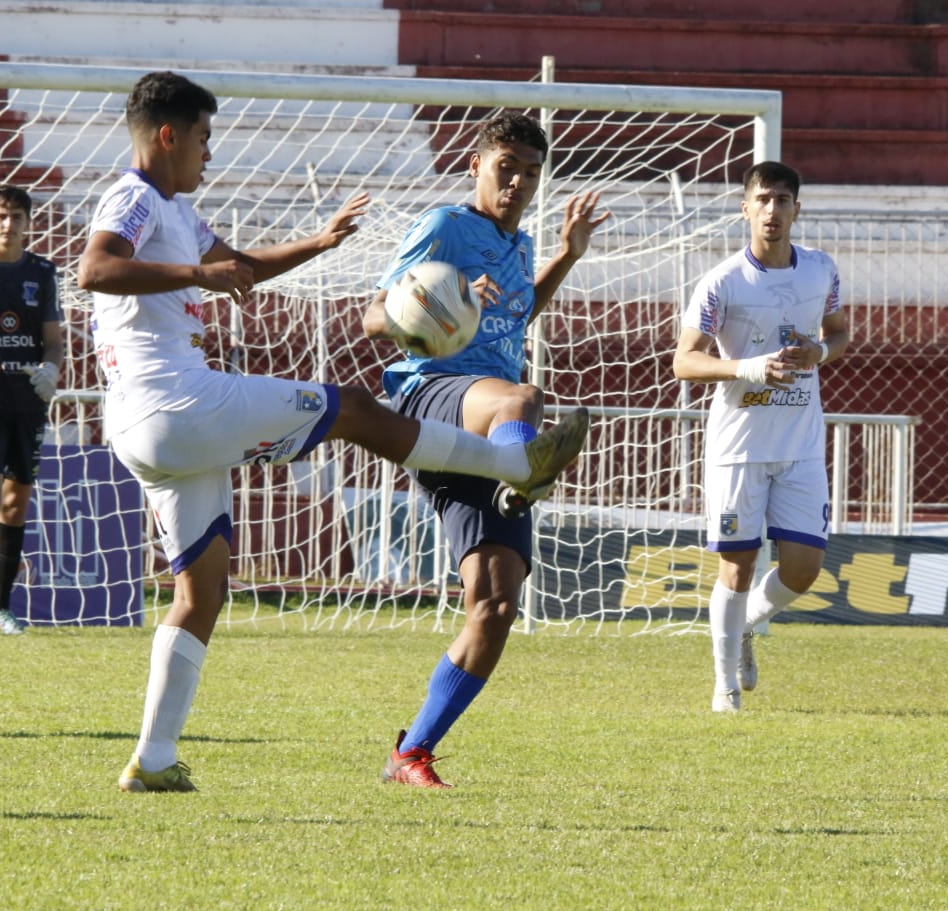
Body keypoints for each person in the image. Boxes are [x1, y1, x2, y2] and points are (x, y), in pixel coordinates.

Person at [79, 72, 590, 793]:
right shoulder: (134, 197)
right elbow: (95, 267)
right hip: (174, 401)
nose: (210, 152)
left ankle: (154, 761)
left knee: (202, 590)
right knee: (349, 406)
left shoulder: (180, 212)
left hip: (150, 428)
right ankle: (509, 466)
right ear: (168, 135)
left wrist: (320, 242)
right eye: (202, 138)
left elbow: (243, 269)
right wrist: (198, 271)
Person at [361, 111, 610, 787]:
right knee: (523, 401)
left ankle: (410, 752)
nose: (520, 182)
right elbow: (373, 314)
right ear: (476, 165)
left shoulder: (523, 244)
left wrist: (566, 254)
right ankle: (519, 468)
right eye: (508, 168)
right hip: (433, 393)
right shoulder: (446, 228)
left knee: (496, 603)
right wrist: (444, 301)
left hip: (482, 418)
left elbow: (517, 314)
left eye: (532, 172)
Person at [671, 161, 850, 713]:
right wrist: (748, 368)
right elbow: (684, 361)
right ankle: (725, 687)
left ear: (798, 209)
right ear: (745, 208)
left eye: (782, 200)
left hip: (799, 445)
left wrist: (819, 352)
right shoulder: (723, 281)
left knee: (804, 569)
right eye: (763, 200)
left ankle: (747, 624)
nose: (772, 211)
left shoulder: (821, 270)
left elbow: (839, 334)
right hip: (738, 446)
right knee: (737, 567)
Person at [0, 184, 62, 636]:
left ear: (28, 223)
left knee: (16, 504)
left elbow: (53, 343)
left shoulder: (42, 272)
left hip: (27, 403)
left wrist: (51, 372)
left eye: (16, 217)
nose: (8, 224)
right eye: (0, 215)